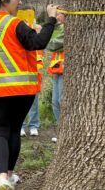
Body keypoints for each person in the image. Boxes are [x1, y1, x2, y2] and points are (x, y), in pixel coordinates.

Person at [0, 0, 58, 190]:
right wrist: (51, 19)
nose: (19, 2)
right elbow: (37, 43)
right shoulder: (15, 24)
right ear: (4, 0)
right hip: (21, 89)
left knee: (0, 132)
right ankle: (9, 175)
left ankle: (2, 178)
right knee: (14, 129)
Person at [46, 11, 65, 142]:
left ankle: (65, 132)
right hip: (58, 70)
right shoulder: (63, 28)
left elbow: (53, 45)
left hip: (65, 72)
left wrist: (41, 35)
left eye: (59, 14)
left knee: (61, 101)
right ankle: (63, 131)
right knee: (55, 102)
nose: (57, 17)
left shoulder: (71, 30)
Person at [21, 48, 44, 137]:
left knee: (33, 103)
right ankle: (20, 126)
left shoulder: (36, 47)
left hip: (33, 81)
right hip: (20, 80)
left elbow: (39, 64)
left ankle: (33, 126)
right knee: (19, 104)